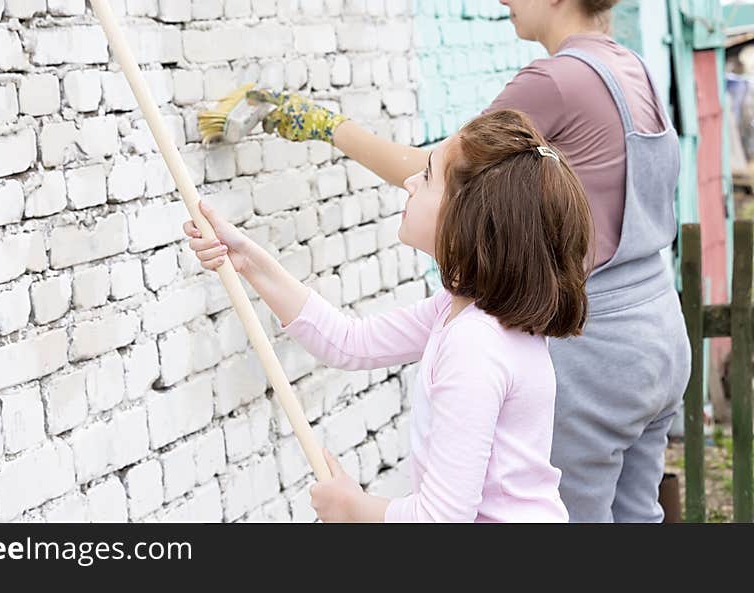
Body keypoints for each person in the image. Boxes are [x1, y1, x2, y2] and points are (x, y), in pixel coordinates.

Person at [245, 0, 691, 522]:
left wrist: (328, 127)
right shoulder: (631, 66)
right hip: (659, 332)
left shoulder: (554, 81)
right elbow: (351, 340)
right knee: (639, 521)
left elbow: (450, 171)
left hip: (596, 350)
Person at [186, 110, 591, 522]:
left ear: (467, 217)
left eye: (429, 177)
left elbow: (441, 519)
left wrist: (353, 509)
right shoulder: (464, 312)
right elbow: (348, 341)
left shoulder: (476, 346)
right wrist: (247, 260)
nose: (411, 182)